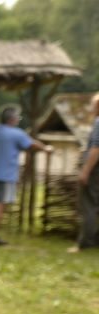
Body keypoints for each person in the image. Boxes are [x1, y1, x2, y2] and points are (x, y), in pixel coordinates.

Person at [0, 105, 52, 246]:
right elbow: (32, 145)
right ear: (13, 119)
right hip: (5, 175)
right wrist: (47, 149)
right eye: (18, 117)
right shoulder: (15, 133)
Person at [72, 93, 99, 252]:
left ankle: (86, 243)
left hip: (96, 169)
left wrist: (85, 170)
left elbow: (97, 148)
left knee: (88, 206)